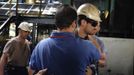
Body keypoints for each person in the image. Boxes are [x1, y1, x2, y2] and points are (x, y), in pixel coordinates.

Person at [28, 4, 100, 75]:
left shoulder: (40, 46)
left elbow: (30, 72)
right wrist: (92, 37)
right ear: (74, 23)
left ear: (56, 23)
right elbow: (98, 57)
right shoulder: (87, 46)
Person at [76, 3, 107, 75]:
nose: (97, 28)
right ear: (83, 22)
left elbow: (103, 63)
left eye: (98, 24)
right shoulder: (70, 39)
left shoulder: (98, 42)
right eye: (94, 24)